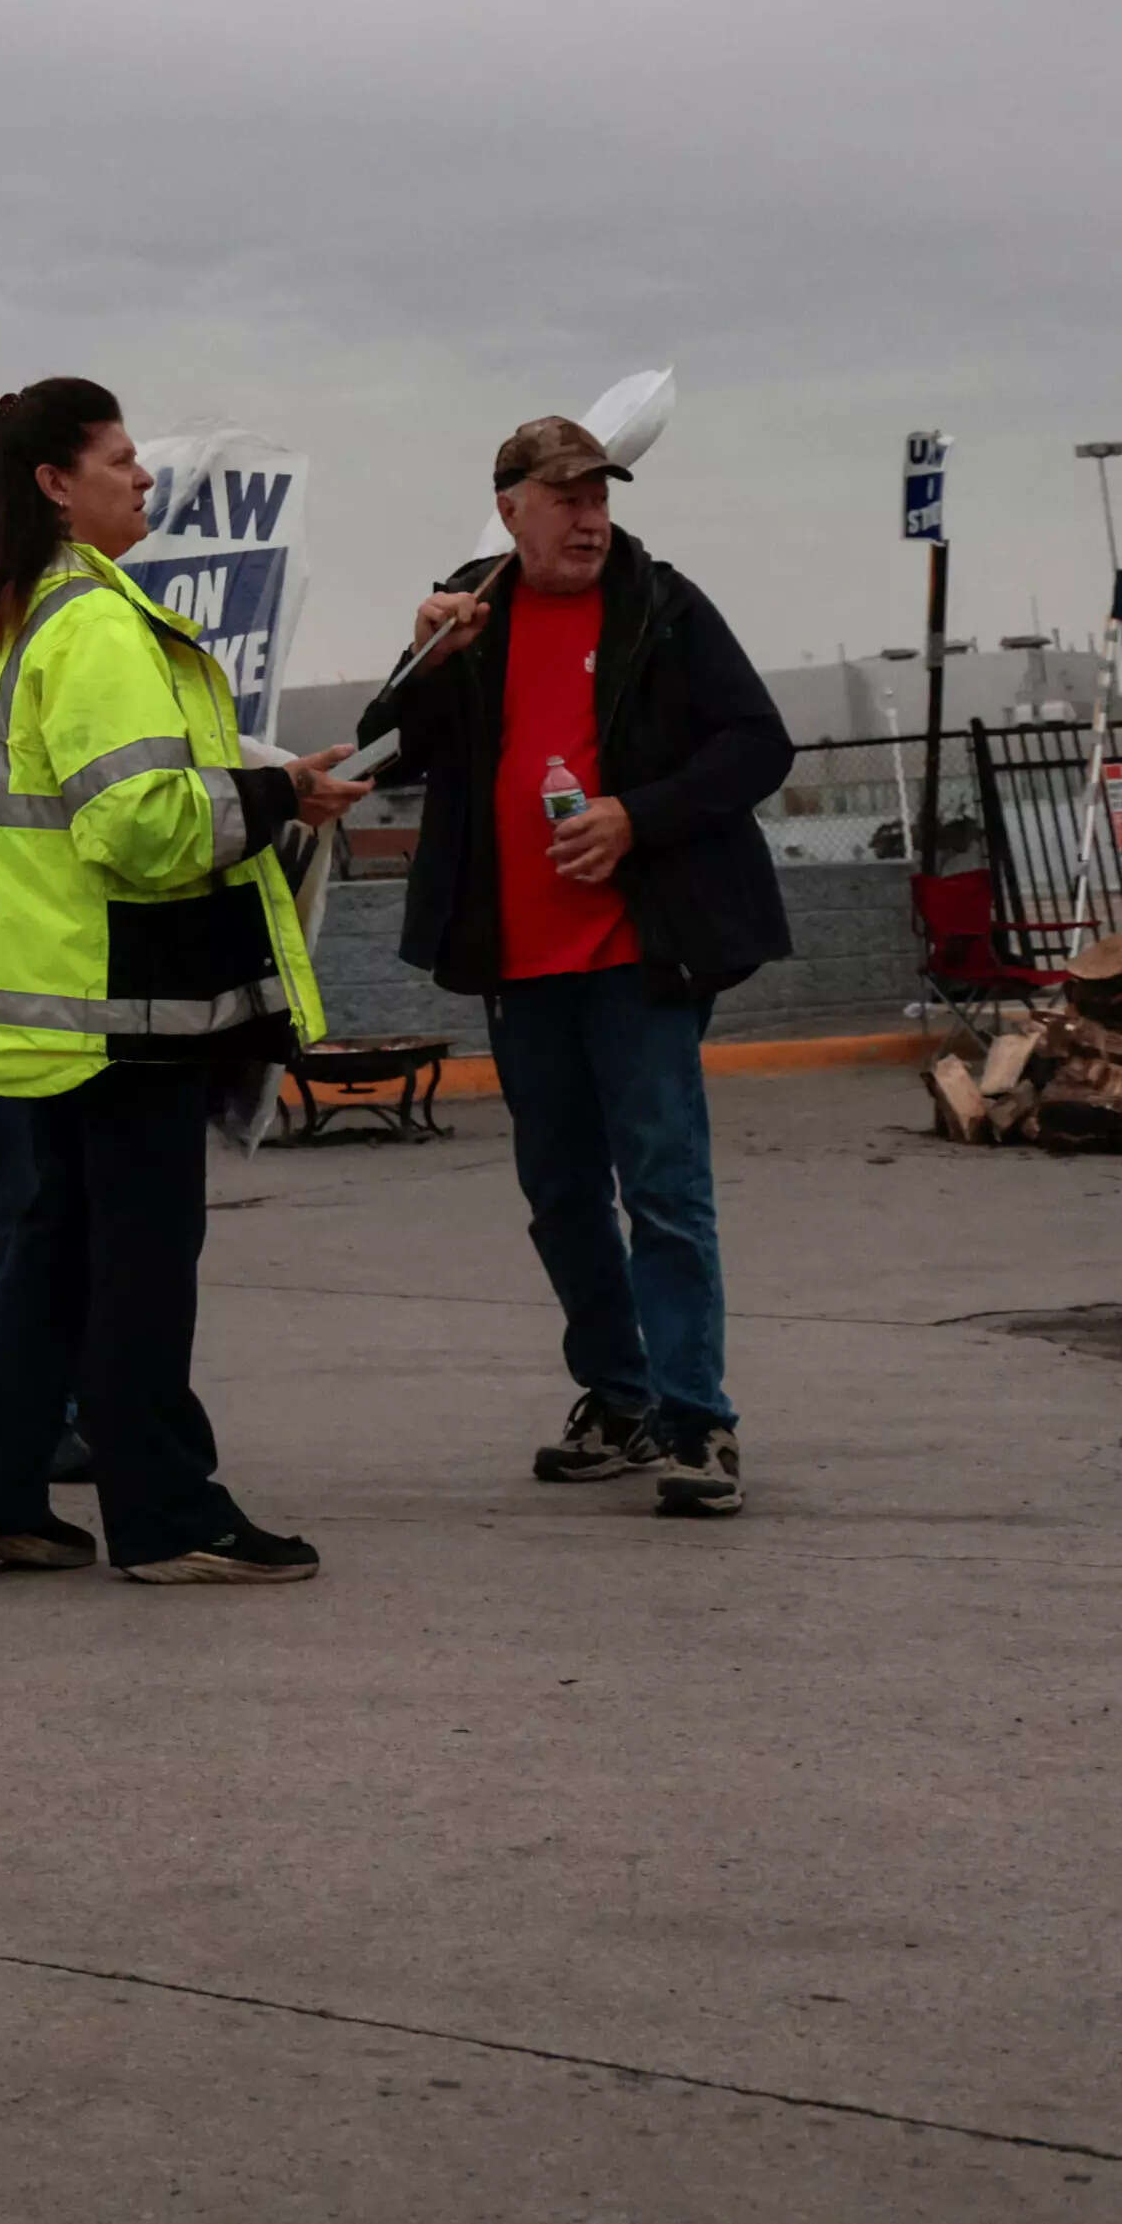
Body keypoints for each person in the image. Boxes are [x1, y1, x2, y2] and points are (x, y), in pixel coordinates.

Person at [0, 378, 356, 1585]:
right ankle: (167, 1516)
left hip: (34, 992)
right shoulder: (91, 622)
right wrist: (274, 796)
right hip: (116, 996)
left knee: (56, 1247)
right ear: (55, 483)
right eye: (120, 458)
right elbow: (139, 827)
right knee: (139, 1257)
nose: (144, 479)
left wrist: (261, 786)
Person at [389, 418, 793, 1521]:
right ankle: (617, 1399)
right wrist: (423, 654)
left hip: (640, 951)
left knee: (662, 1188)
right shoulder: (471, 612)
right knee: (560, 1194)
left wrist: (636, 817)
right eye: (562, 495)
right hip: (518, 959)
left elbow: (760, 743)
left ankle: (696, 1418)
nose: (588, 514)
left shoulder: (663, 606)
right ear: (509, 505)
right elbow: (398, 748)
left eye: (597, 492)